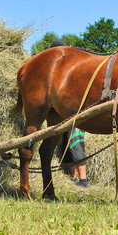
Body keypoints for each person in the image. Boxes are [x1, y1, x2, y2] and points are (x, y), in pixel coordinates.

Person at [49, 40, 89, 188]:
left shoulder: (73, 68)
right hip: (63, 114)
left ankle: (83, 180)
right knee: (65, 143)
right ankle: (73, 178)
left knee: (75, 142)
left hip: (76, 112)